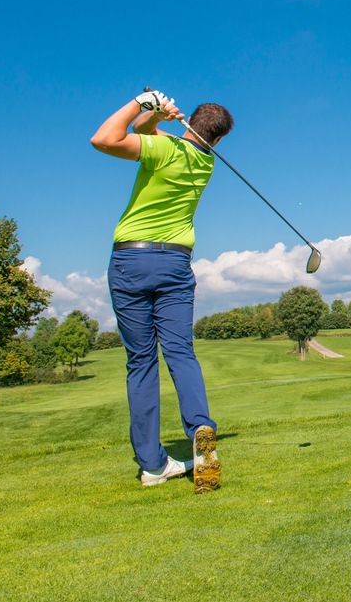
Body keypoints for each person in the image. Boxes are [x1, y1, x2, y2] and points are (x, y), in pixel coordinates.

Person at [91, 89, 233, 493]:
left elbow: (104, 138)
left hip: (131, 261)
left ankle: (153, 465)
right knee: (180, 351)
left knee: (141, 362)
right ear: (217, 139)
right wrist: (156, 117)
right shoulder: (206, 162)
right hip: (174, 263)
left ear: (192, 123)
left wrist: (143, 101)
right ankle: (201, 428)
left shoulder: (164, 150)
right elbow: (142, 132)